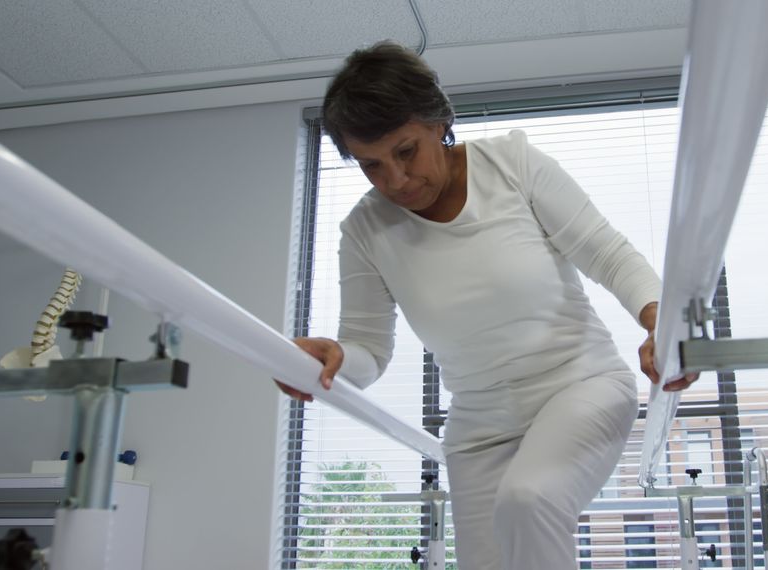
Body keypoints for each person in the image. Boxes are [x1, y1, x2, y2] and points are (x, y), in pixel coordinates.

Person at [275, 40, 697, 569]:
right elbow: (368, 352)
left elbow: (610, 256)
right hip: (478, 428)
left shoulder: (512, 164)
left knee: (530, 499)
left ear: (439, 121)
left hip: (580, 385)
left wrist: (659, 321)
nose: (396, 181)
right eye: (372, 166)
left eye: (406, 152)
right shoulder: (364, 230)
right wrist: (332, 359)